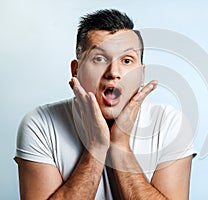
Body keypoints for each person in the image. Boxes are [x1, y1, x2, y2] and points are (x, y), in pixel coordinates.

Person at [15, 9, 196, 199]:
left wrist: (120, 145)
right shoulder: (40, 124)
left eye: (126, 60)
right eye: (99, 58)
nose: (113, 72)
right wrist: (96, 147)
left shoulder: (171, 124)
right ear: (75, 70)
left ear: (141, 75)